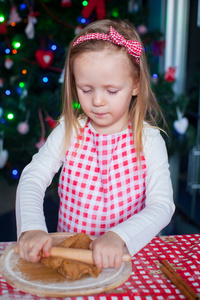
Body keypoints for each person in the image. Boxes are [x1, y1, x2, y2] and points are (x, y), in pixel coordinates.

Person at [16, 19, 175, 270]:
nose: (97, 101)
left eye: (111, 91)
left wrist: (120, 236)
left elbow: (162, 206)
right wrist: (32, 227)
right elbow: (33, 177)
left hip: (125, 261)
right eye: (86, 89)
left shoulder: (149, 140)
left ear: (135, 85)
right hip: (71, 260)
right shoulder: (70, 130)